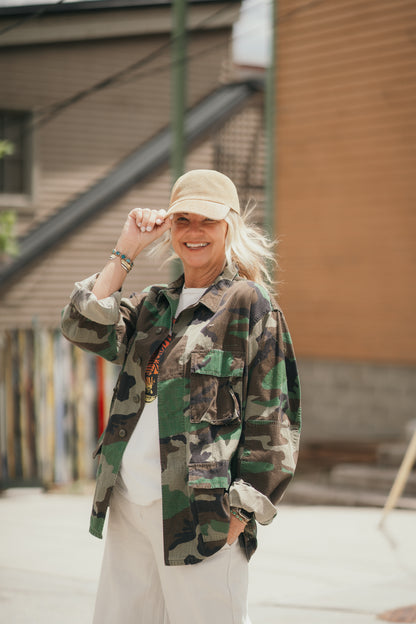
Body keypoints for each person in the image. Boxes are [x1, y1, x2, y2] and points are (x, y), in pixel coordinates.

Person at [61, 169, 301, 624]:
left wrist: (241, 512)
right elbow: (83, 326)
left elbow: (274, 416)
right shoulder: (153, 304)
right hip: (130, 502)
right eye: (182, 220)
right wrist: (126, 249)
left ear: (228, 226)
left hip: (201, 516)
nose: (194, 232)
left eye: (206, 221)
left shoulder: (249, 303)